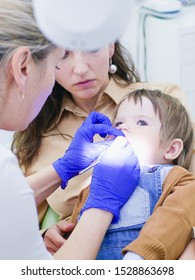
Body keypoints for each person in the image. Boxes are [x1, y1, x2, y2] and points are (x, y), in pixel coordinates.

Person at [0, 0, 140, 259]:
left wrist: (61, 169)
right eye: (58, 61)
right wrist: (101, 204)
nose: (79, 68)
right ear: (22, 68)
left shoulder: (157, 98)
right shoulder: (9, 164)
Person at [11, 41, 189, 230]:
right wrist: (47, 235)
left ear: (110, 45)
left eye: (90, 47)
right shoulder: (34, 130)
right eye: (64, 53)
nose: (80, 69)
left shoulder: (164, 100)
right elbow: (16, 215)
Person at [67, 88, 195, 260]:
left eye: (142, 122)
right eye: (118, 123)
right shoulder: (92, 188)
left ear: (171, 149)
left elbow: (176, 218)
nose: (123, 128)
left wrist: (138, 257)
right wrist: (63, 233)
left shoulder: (177, 180)